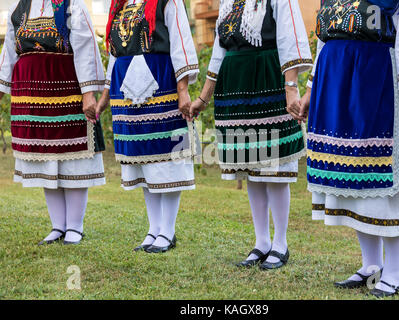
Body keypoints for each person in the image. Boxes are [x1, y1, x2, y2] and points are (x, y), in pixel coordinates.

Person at [303, 0, 399, 297]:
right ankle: (371, 266)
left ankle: (396, 271)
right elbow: (324, 37)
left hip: (377, 80)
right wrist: (311, 87)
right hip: (337, 82)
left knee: (383, 180)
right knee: (353, 181)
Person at [190, 0, 312, 270]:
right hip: (234, 84)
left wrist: (290, 87)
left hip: (266, 77)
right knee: (251, 168)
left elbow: (289, 38)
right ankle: (262, 242)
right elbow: (219, 52)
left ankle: (280, 243)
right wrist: (203, 97)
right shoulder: (228, 2)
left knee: (275, 167)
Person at [95, 0, 200, 253]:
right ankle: (154, 229)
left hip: (161, 80)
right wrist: (105, 97)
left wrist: (183, 90)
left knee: (168, 156)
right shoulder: (119, 4)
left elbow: (181, 41)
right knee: (142, 159)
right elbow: (114, 52)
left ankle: (168, 231)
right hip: (125, 87)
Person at [0, 0, 106, 245]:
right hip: (31, 96)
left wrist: (89, 92)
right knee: (45, 159)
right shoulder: (19, 8)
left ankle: (75, 228)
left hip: (66, 90)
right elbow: (8, 53)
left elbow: (86, 47)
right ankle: (58, 226)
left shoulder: (71, 6)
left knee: (74, 158)